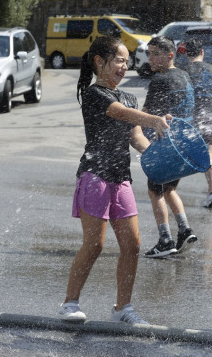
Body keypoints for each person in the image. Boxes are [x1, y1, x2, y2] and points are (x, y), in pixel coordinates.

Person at [58, 36, 171, 325]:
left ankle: (123, 307)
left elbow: (136, 137)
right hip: (94, 176)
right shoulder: (95, 94)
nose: (125, 65)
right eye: (119, 59)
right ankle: (70, 303)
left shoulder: (130, 98)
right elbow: (117, 113)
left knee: (132, 245)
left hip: (120, 178)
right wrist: (153, 118)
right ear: (100, 61)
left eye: (127, 60)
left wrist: (160, 153)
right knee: (94, 245)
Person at [141, 36, 198, 258]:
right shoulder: (184, 75)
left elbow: (145, 114)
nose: (151, 58)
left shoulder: (160, 79)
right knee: (169, 189)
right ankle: (185, 229)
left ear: (170, 55)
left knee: (155, 190)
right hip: (183, 144)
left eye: (155, 53)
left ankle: (165, 240)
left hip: (165, 145)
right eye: (149, 53)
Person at [182, 39, 212, 209]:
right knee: (209, 155)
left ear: (187, 53)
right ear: (202, 52)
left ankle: (168, 190)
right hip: (210, 118)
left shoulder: (183, 71)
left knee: (179, 154)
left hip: (189, 121)